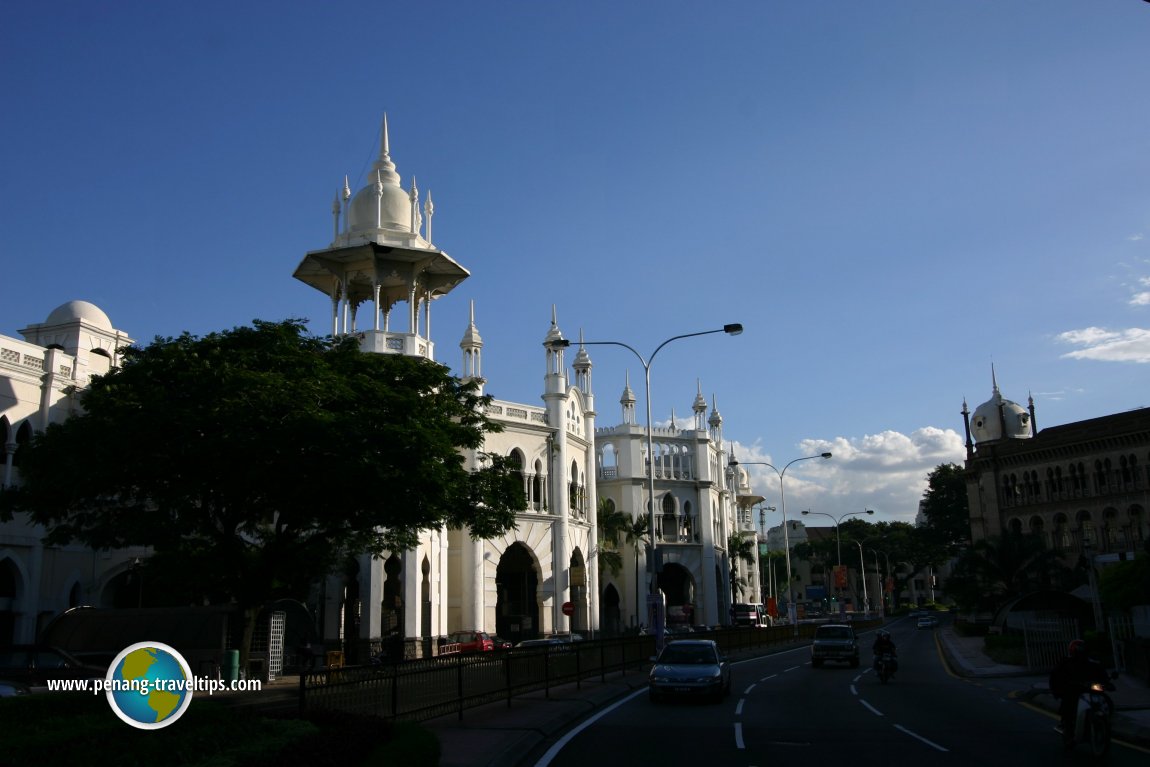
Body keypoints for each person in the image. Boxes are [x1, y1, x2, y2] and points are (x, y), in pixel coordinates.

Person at [1049, 639, 1110, 748]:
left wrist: (1106, 684)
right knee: (1069, 705)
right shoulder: (1066, 663)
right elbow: (1056, 677)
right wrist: (1063, 686)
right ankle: (1068, 730)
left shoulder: (1093, 664)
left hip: (1089, 690)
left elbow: (1103, 676)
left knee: (1107, 701)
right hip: (1074, 691)